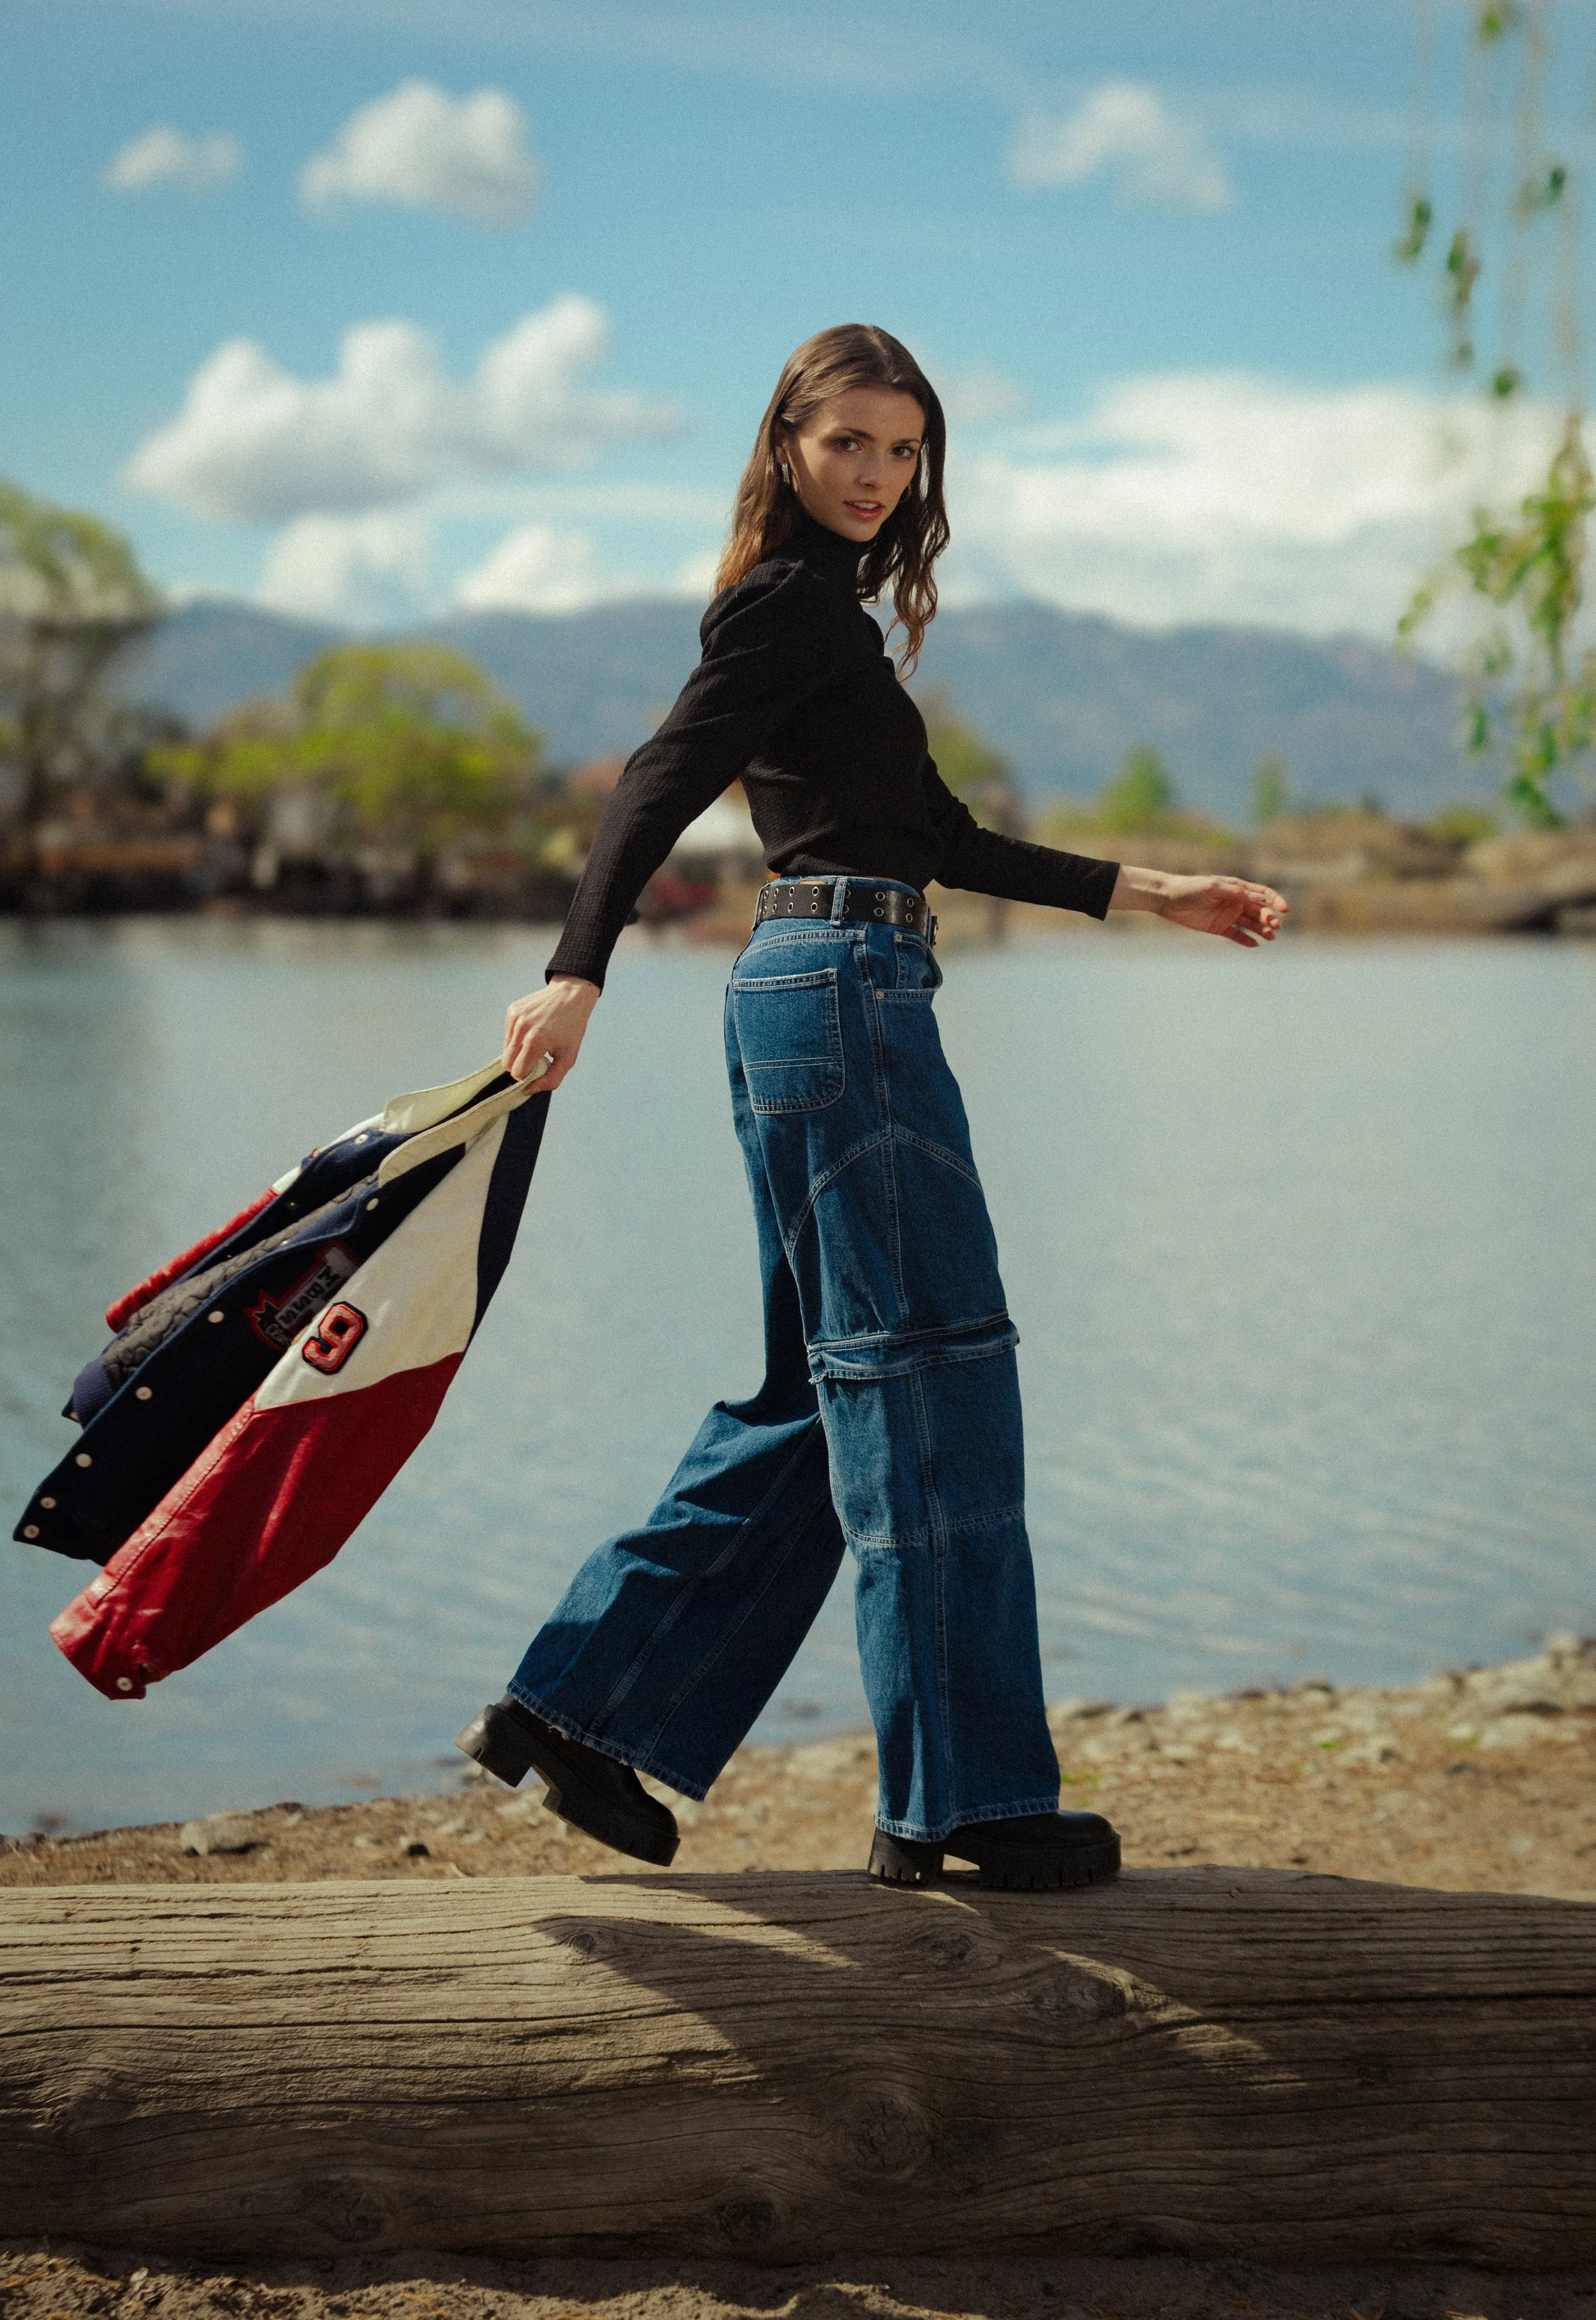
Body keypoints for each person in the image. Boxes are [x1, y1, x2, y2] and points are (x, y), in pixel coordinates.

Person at [455, 324, 1286, 1891]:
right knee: (931, 1374)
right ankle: (961, 1794)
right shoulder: (781, 605)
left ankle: (584, 1704)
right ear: (785, 444)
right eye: (849, 442)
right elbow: (658, 772)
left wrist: (1144, 888)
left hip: (816, 983)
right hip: (840, 990)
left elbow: (931, 833)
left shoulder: (826, 624)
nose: (876, 475)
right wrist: (577, 970)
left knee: (824, 1388)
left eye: (902, 450)